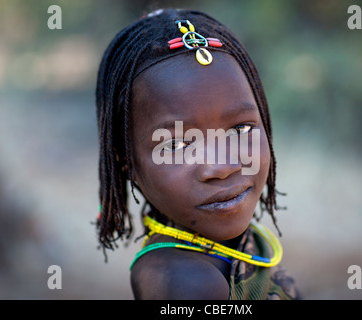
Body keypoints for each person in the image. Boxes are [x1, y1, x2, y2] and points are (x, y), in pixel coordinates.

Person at [95, 8, 299, 300]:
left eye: (240, 129)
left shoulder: (230, 245)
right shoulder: (183, 282)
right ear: (126, 162)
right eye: (177, 145)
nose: (222, 166)